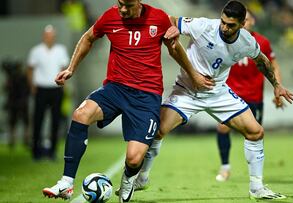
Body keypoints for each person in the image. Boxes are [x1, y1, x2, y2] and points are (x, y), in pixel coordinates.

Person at [42, 0, 214, 202]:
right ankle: (66, 183)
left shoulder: (158, 18)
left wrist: (194, 75)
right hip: (115, 88)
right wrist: (71, 68)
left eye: (128, 6)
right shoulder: (110, 16)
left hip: (146, 96)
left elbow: (175, 49)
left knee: (133, 159)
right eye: (120, 4)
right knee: (81, 114)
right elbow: (88, 37)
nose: (122, 9)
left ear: (139, 2)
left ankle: (128, 181)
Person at [132, 0, 293, 200]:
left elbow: (262, 61)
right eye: (223, 22)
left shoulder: (247, 41)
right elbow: (172, 20)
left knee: (255, 132)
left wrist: (276, 85)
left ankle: (256, 188)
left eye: (231, 25)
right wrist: (172, 29)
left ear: (242, 24)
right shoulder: (204, 26)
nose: (225, 27)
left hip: (218, 93)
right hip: (187, 91)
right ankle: (143, 178)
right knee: (158, 130)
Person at [215, 10, 285, 182]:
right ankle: (225, 168)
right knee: (222, 128)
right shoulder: (224, 39)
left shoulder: (262, 42)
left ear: (252, 21)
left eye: (247, 19)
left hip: (254, 96)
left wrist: (278, 88)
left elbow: (273, 66)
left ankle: (255, 175)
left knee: (255, 133)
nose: (245, 22)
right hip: (230, 94)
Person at [27, 25, 69, 160]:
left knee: (55, 121)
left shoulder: (60, 50)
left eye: (52, 36)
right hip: (41, 89)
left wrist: (64, 84)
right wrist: (32, 85)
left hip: (56, 89)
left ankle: (52, 151)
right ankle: (36, 151)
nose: (50, 38)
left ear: (54, 37)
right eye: (47, 36)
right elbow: (30, 69)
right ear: (44, 37)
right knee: (38, 120)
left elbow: (64, 68)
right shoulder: (36, 51)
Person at [2, 58, 31, 149]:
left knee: (14, 123)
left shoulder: (12, 78)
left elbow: (6, 89)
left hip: (15, 103)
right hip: (22, 102)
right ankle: (24, 140)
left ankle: (13, 140)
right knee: (24, 122)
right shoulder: (23, 77)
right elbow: (28, 90)